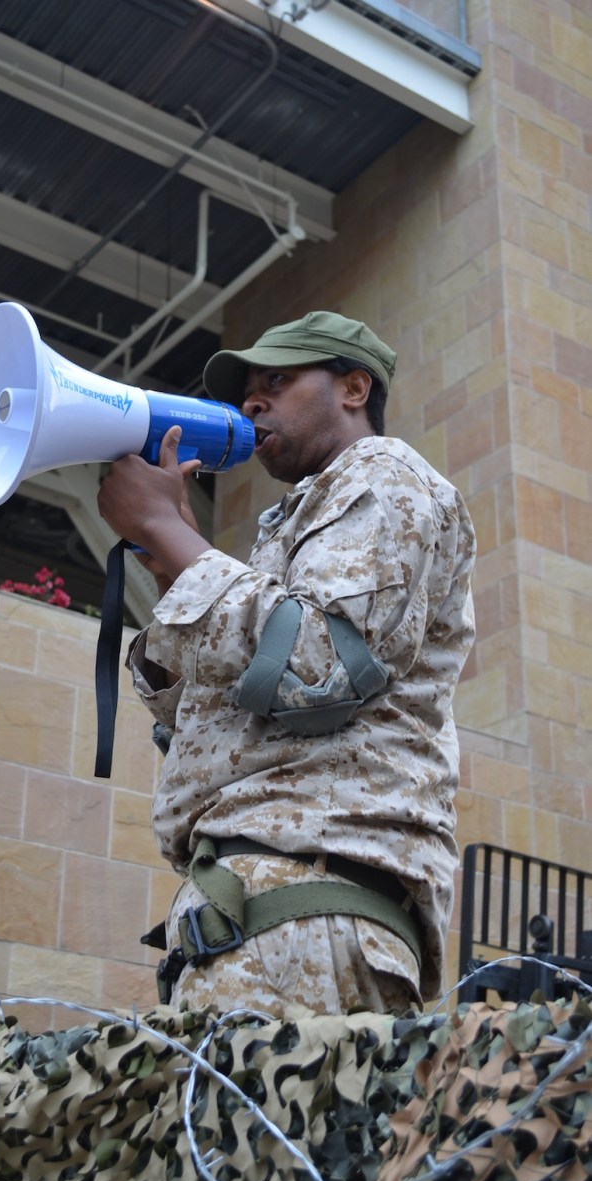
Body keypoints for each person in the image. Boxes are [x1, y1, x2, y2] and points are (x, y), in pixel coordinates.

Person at [97, 311, 476, 1018]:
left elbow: (321, 663)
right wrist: (173, 560)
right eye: (247, 391)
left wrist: (166, 528)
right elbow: (208, 710)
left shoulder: (384, 476)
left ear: (354, 388)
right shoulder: (300, 523)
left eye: (276, 381)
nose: (251, 403)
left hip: (304, 901)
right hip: (265, 904)